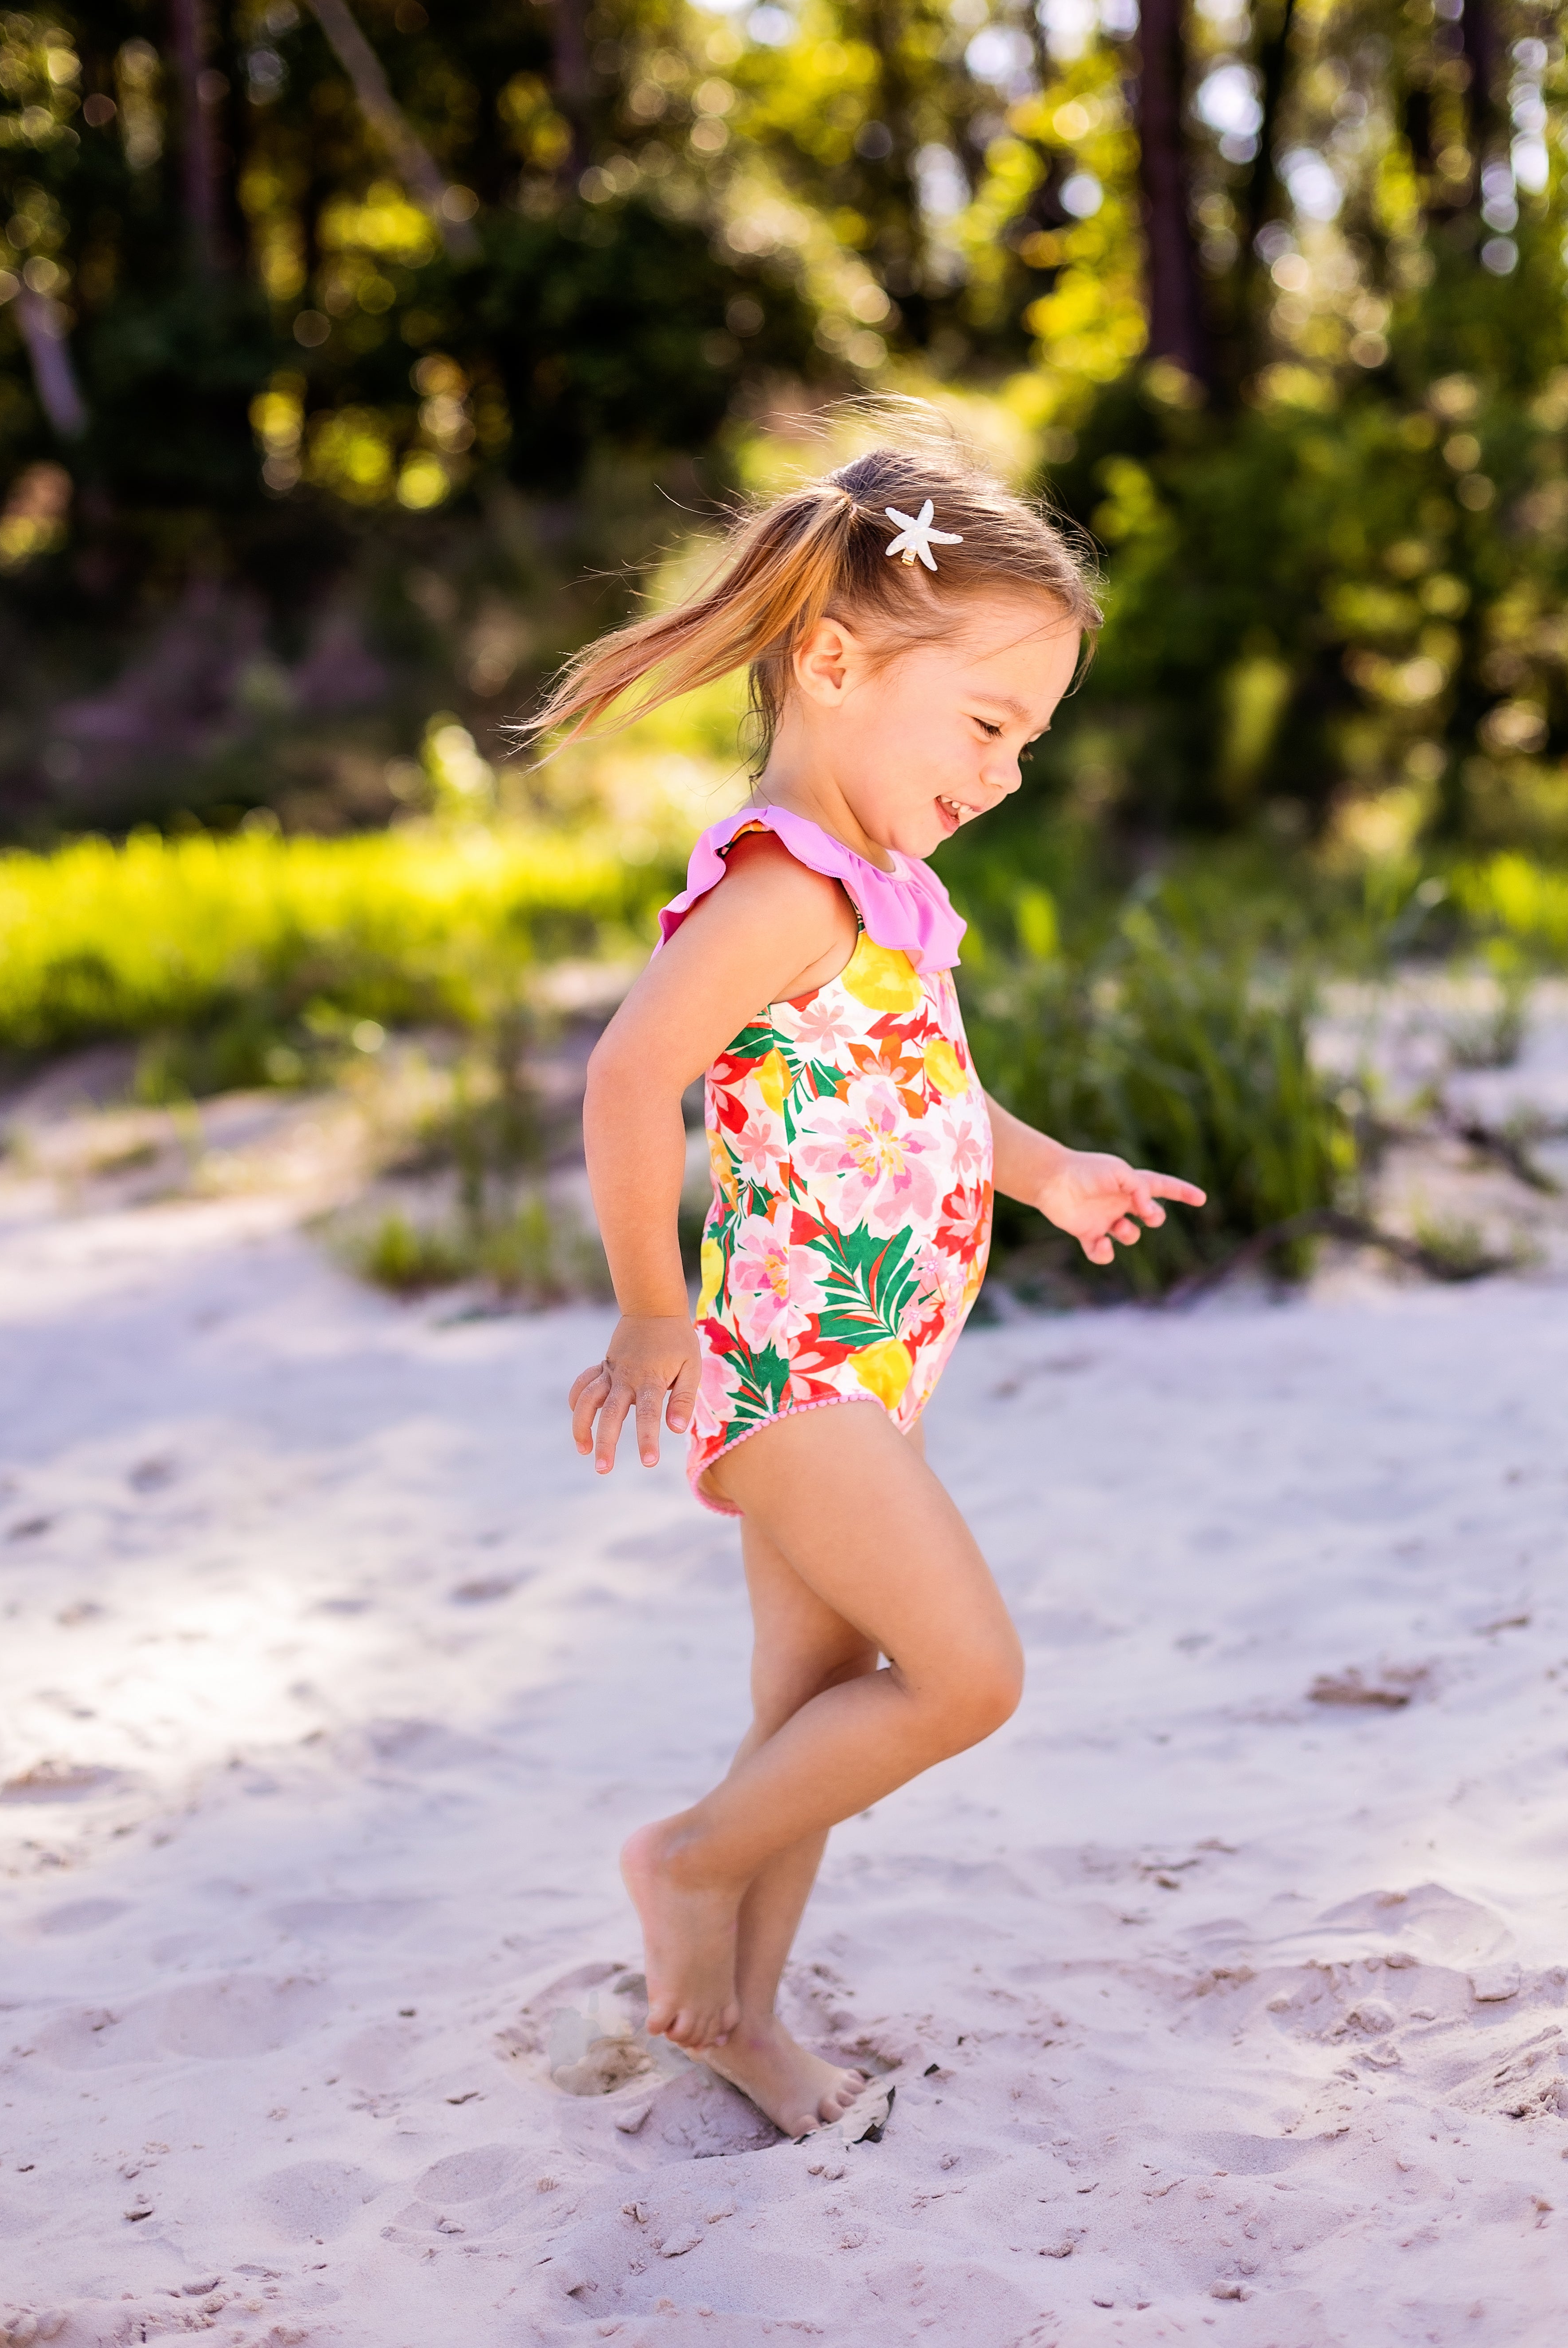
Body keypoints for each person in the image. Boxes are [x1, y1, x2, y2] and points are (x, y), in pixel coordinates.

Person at [550, 414, 1205, 2138]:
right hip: (791, 1372)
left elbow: (922, 1092)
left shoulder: (881, 892)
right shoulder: (779, 891)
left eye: (1032, 741)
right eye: (988, 722)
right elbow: (630, 1076)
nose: (1005, 773)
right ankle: (684, 1864)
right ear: (832, 661)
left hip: (872, 1368)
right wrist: (647, 1304)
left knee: (815, 1708)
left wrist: (1053, 1173)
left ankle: (734, 2015)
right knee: (964, 1679)